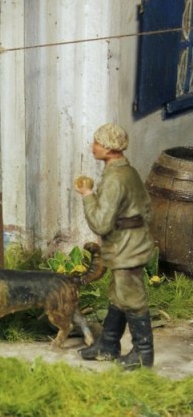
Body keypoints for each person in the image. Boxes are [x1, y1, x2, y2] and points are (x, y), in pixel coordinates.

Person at [74, 123, 155, 369]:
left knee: (132, 298)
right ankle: (108, 345)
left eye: (97, 143)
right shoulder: (128, 172)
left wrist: (88, 195)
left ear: (108, 148)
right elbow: (147, 209)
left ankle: (143, 353)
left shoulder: (115, 179)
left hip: (126, 248)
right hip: (130, 243)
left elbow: (100, 223)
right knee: (119, 296)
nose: (93, 147)